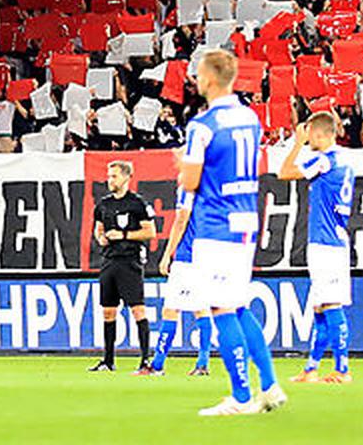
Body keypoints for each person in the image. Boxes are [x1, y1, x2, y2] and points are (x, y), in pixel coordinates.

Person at [181, 49, 286, 416]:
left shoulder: (202, 126)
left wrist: (182, 166)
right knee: (239, 304)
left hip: (217, 224)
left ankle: (241, 398)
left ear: (210, 78)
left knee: (222, 308)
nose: (195, 78)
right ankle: (270, 385)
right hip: (245, 219)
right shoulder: (250, 117)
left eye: (198, 73)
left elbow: (191, 181)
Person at [277, 111, 353, 384]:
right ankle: (311, 368)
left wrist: (296, 143)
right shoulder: (344, 158)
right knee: (320, 306)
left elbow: (284, 173)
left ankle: (342, 370)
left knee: (330, 304)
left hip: (327, 244)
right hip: (332, 239)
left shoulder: (324, 160)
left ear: (320, 134)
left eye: (309, 133)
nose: (307, 137)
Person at [148, 163, 214, 378]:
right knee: (201, 308)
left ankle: (157, 365)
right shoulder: (212, 187)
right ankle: (202, 363)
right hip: (208, 253)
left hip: (187, 256)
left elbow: (180, 221)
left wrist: (168, 254)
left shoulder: (188, 188)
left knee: (171, 309)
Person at [90, 159, 155, 372]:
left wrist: (123, 235)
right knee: (108, 312)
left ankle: (145, 360)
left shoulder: (137, 203)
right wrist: (101, 238)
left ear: (127, 177)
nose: (110, 180)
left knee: (137, 310)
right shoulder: (104, 204)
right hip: (109, 261)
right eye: (109, 176)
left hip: (130, 262)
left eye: (114, 176)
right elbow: (98, 228)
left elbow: (150, 232)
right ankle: (108, 361)